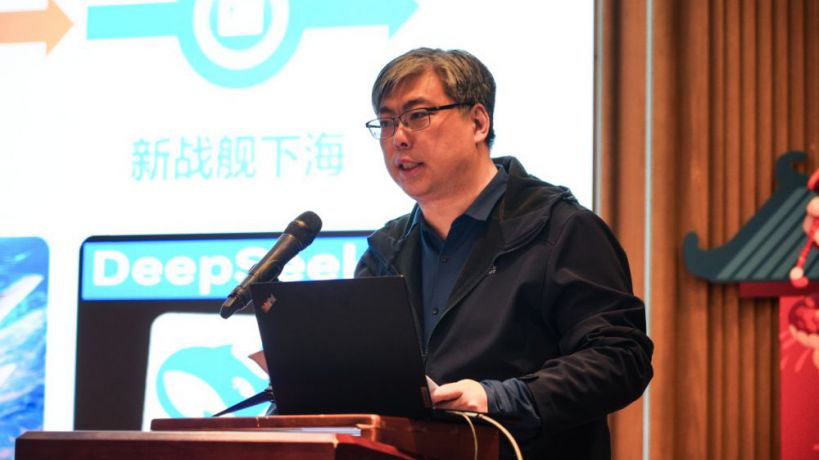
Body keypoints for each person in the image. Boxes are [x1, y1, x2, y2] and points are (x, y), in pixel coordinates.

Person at [355, 47, 653, 459]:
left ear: (478, 122)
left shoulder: (559, 229)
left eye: (417, 116)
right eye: (386, 122)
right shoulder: (385, 252)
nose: (398, 138)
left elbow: (620, 359)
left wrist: (500, 398)